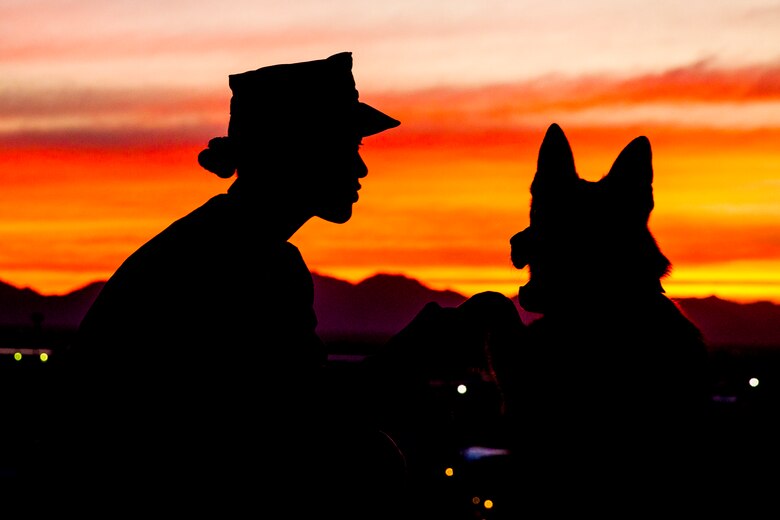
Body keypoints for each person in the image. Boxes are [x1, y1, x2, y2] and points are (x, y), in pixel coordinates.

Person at [53, 51, 404, 516]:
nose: (360, 170)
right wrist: (412, 356)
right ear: (299, 148)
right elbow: (295, 426)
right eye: (349, 147)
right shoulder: (247, 260)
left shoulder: (228, 243)